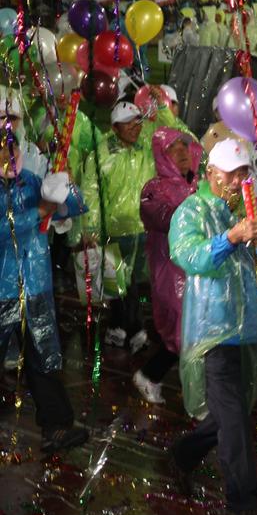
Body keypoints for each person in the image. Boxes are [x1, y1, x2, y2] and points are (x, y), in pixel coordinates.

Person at [167, 138, 257, 515]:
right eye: (232, 174)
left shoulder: (254, 214)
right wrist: (230, 238)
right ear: (211, 174)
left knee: (229, 414)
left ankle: (183, 454)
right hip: (213, 332)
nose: (238, 181)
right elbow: (188, 255)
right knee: (234, 421)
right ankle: (242, 503)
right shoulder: (192, 210)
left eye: (244, 173)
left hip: (249, 330)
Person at [0, 138, 89, 453]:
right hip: (3, 291)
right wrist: (38, 211)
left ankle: (57, 426)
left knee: (41, 357)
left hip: (34, 285)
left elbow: (75, 206)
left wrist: (66, 184)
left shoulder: (31, 181)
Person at [79, 100, 156, 351]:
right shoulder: (102, 154)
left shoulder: (145, 148)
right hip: (114, 229)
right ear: (114, 128)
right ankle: (133, 328)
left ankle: (120, 327)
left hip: (142, 228)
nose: (135, 127)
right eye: (128, 123)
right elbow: (90, 192)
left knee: (130, 282)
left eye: (137, 122)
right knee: (121, 283)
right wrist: (90, 229)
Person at [134, 127, 204, 404]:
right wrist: (198, 209)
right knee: (182, 331)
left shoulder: (199, 184)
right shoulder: (154, 190)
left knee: (195, 330)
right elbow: (163, 217)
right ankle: (154, 376)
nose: (182, 152)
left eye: (184, 146)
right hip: (171, 272)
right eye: (173, 148)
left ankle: (153, 375)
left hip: (199, 270)